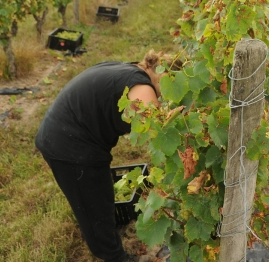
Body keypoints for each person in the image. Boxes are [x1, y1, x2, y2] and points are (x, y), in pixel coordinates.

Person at [35, 50, 173, 262]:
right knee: (95, 206)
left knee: (97, 197)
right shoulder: (144, 89)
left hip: (65, 131)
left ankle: (95, 231)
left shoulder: (131, 69)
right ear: (164, 76)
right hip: (70, 145)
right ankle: (114, 256)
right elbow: (160, 135)